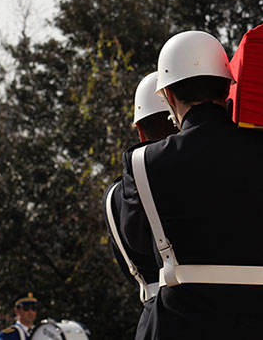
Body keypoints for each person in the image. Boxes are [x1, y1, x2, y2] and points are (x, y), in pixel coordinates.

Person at [118, 30, 263, 339]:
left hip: (181, 326)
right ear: (227, 88)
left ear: (168, 96)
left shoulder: (143, 163)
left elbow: (139, 242)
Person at [103, 72, 177, 334]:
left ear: (139, 129)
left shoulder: (114, 194)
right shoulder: (190, 174)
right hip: (196, 311)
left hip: (151, 321)